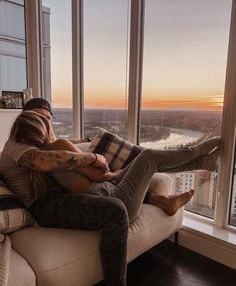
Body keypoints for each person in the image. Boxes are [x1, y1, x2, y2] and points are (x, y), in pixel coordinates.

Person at [0, 98, 221, 286]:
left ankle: (199, 164)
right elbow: (43, 161)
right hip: (43, 205)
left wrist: (86, 143)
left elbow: (56, 145)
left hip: (59, 195)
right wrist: (94, 157)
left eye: (48, 118)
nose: (46, 122)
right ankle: (198, 156)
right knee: (130, 183)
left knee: (142, 164)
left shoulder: (39, 141)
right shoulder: (18, 146)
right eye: (41, 118)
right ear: (25, 120)